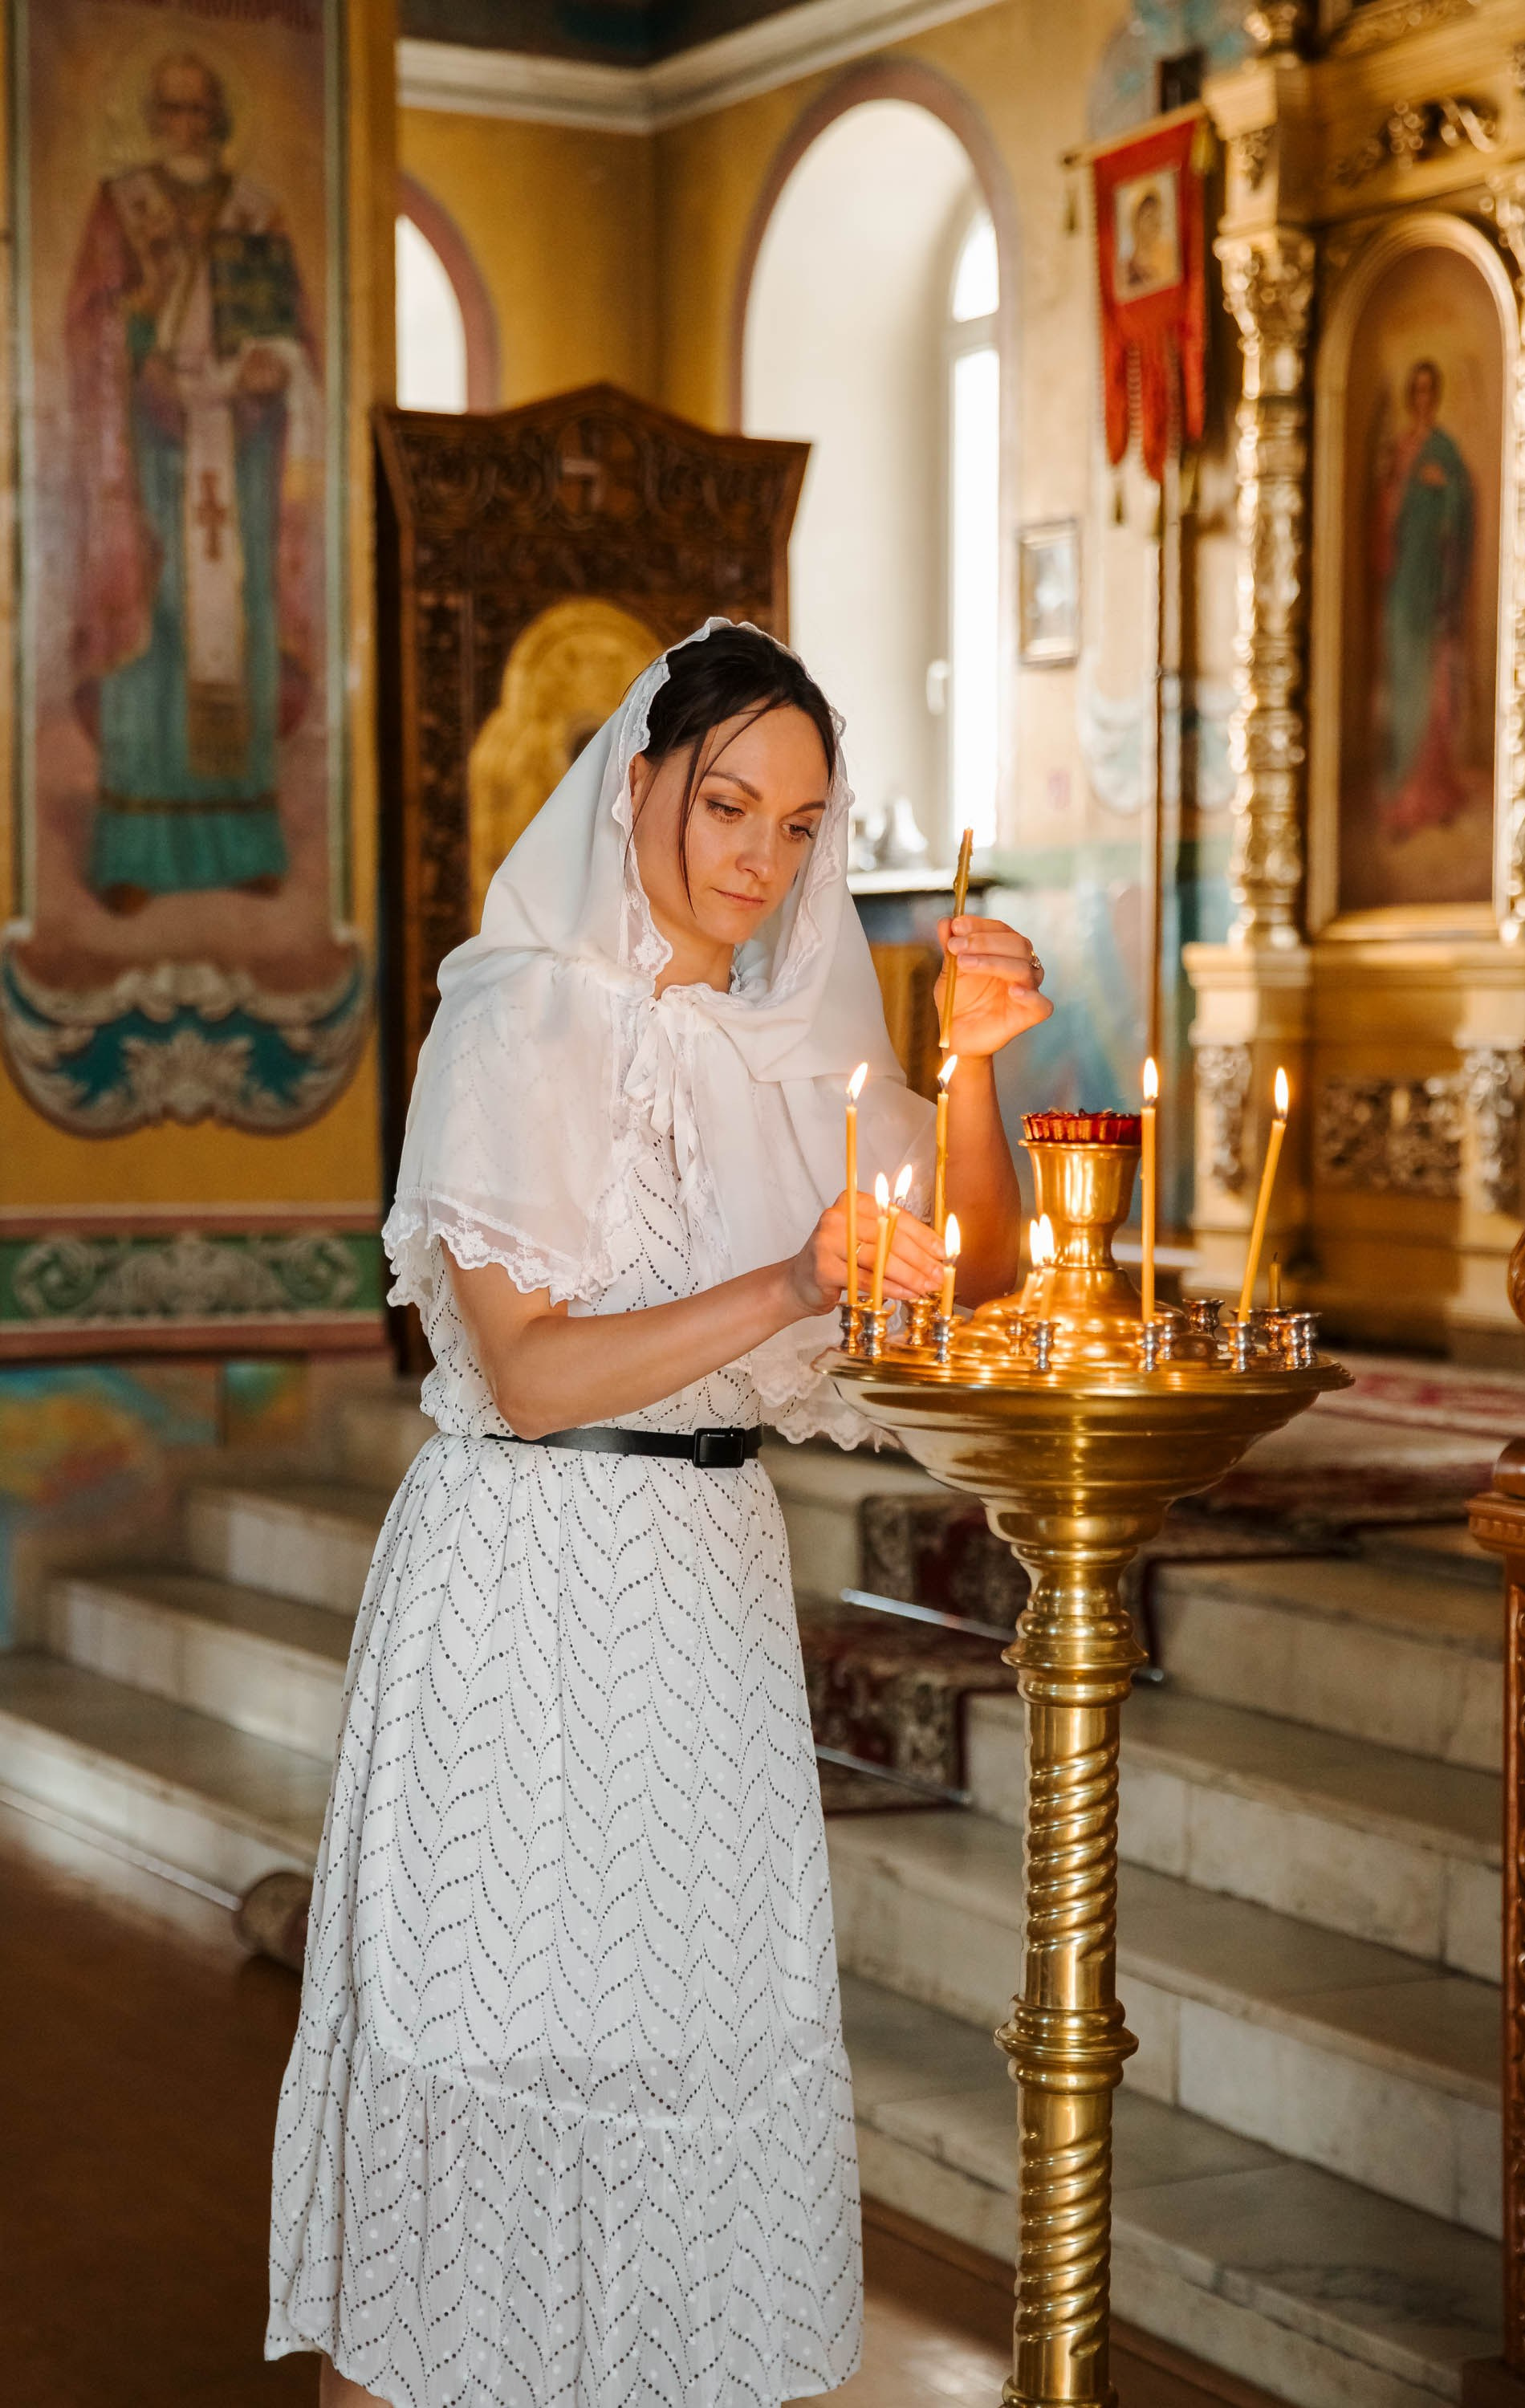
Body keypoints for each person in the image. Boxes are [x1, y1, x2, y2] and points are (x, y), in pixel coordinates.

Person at [266, 620, 1051, 2408]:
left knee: (685, 2071)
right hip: (524, 1585)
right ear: (636, 786)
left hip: (702, 1597)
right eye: (724, 804)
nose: (758, 859)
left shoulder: (784, 1053)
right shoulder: (515, 1011)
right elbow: (531, 1374)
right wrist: (787, 1279)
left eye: (797, 824)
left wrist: (977, 1063)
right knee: (472, 2078)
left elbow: (970, 1280)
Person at [65, 50, 319, 913]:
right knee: (153, 642)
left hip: (236, 462)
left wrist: (267, 375)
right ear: (153, 119)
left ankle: (241, 839)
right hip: (147, 463)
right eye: (170, 112)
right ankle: (137, 848)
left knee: (234, 635)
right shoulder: (121, 206)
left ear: (218, 119)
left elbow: (293, 335)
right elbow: (87, 325)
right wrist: (142, 359)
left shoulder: (256, 213)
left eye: (199, 111)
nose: (186, 127)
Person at [1372, 357, 1474, 840]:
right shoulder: (1401, 449)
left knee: (1432, 685)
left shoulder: (1444, 450)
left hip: (1432, 582)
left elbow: (1462, 506)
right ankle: (1401, 796)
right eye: (1416, 391)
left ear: (1437, 395)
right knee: (1403, 680)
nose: (1422, 399)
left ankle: (1432, 795)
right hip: (1401, 584)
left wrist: (1447, 491)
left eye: (1429, 391)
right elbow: (1385, 514)